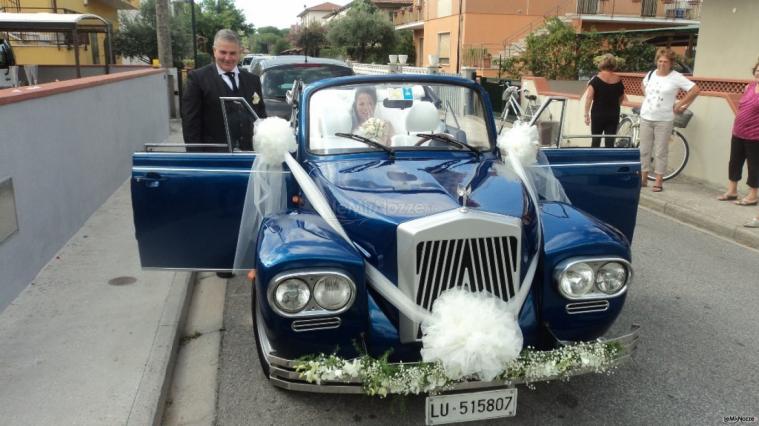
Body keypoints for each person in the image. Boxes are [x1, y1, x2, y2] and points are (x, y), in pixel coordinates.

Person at [181, 29, 266, 152]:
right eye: (223, 52)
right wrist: (197, 159)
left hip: (249, 156)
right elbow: (190, 124)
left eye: (232, 53)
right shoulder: (197, 79)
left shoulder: (253, 80)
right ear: (214, 51)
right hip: (215, 158)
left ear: (239, 53)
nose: (227, 58)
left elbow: (261, 116)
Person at [639, 47, 700, 192]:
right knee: (644, 150)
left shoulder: (676, 76)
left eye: (665, 62)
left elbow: (695, 90)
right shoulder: (651, 74)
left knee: (661, 151)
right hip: (646, 116)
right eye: (659, 61)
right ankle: (643, 178)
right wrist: (647, 96)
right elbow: (643, 85)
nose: (662, 64)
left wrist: (680, 104)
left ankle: (658, 181)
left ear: (671, 63)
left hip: (664, 119)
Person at [718, 58, 759, 208]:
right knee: (734, 162)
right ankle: (732, 191)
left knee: (754, 166)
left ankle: (753, 195)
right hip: (738, 131)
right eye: (757, 70)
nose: (758, 72)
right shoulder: (749, 87)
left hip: (755, 135)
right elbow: (743, 106)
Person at [583, 54, 626, 148]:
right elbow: (622, 97)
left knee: (596, 140)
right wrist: (615, 105)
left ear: (602, 64)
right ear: (613, 65)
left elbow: (589, 96)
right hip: (613, 114)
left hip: (598, 113)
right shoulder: (618, 80)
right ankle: (609, 161)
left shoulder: (595, 80)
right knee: (610, 142)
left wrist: (586, 114)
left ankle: (595, 161)